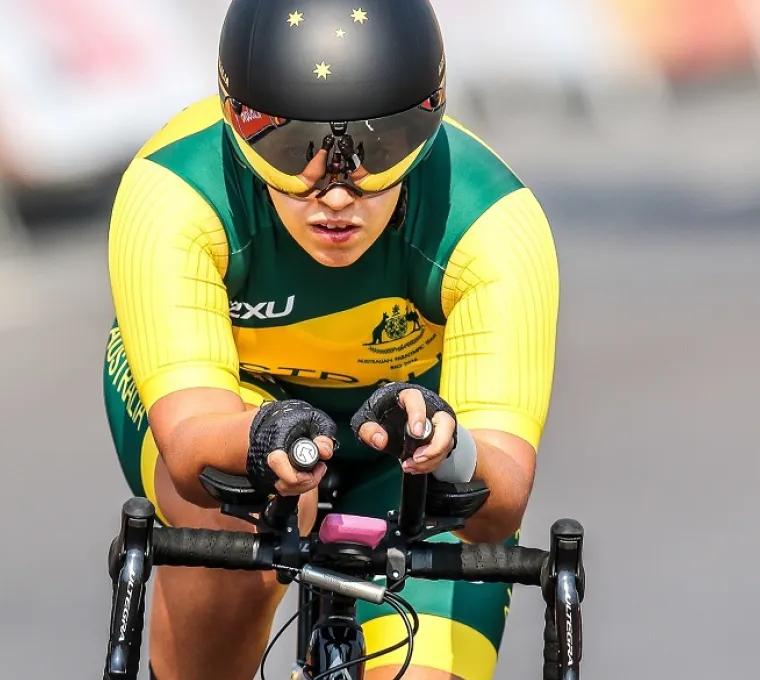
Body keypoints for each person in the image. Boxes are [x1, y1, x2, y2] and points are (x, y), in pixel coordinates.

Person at [102, 0, 559, 678]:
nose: (337, 192)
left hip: (404, 447)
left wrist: (448, 445)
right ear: (238, 126)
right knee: (236, 507)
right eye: (293, 151)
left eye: (378, 147)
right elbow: (193, 444)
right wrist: (264, 433)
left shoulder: (493, 227)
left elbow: (498, 507)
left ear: (428, 126)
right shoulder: (174, 195)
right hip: (237, 410)